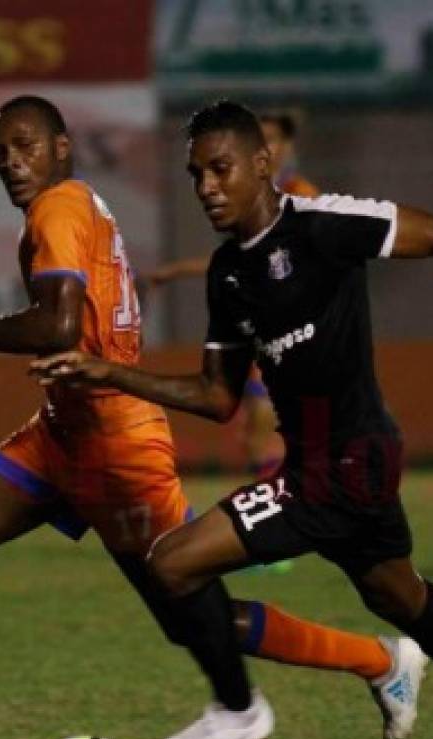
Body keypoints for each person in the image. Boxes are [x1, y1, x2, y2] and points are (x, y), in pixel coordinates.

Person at [0, 95, 429, 739]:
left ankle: (378, 662)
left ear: (61, 147)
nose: (12, 163)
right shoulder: (76, 204)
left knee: (194, 616)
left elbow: (59, 326)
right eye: (0, 153)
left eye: (25, 146)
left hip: (118, 443)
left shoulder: (59, 208)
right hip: (61, 434)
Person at [34, 99, 433, 739]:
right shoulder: (227, 273)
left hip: (348, 464)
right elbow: (218, 397)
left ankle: (236, 710)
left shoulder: (322, 226)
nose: (207, 188)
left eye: (220, 169)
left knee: (171, 563)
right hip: (323, 464)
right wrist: (110, 372)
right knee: (398, 595)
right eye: (195, 175)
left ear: (262, 164)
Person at [145, 111, 319, 480]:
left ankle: (293, 507)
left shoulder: (301, 198)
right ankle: (283, 506)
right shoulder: (255, 200)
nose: (267, 148)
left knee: (267, 422)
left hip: (299, 330)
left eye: (273, 140)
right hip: (265, 326)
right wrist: (173, 272)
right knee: (257, 429)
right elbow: (241, 259)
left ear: (285, 147)